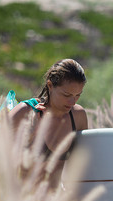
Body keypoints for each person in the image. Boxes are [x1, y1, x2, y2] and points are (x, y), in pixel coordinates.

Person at [9, 59, 88, 189]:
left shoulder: (78, 116)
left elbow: (82, 164)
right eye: (66, 94)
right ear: (50, 85)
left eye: (78, 95)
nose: (73, 101)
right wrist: (30, 135)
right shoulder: (25, 112)